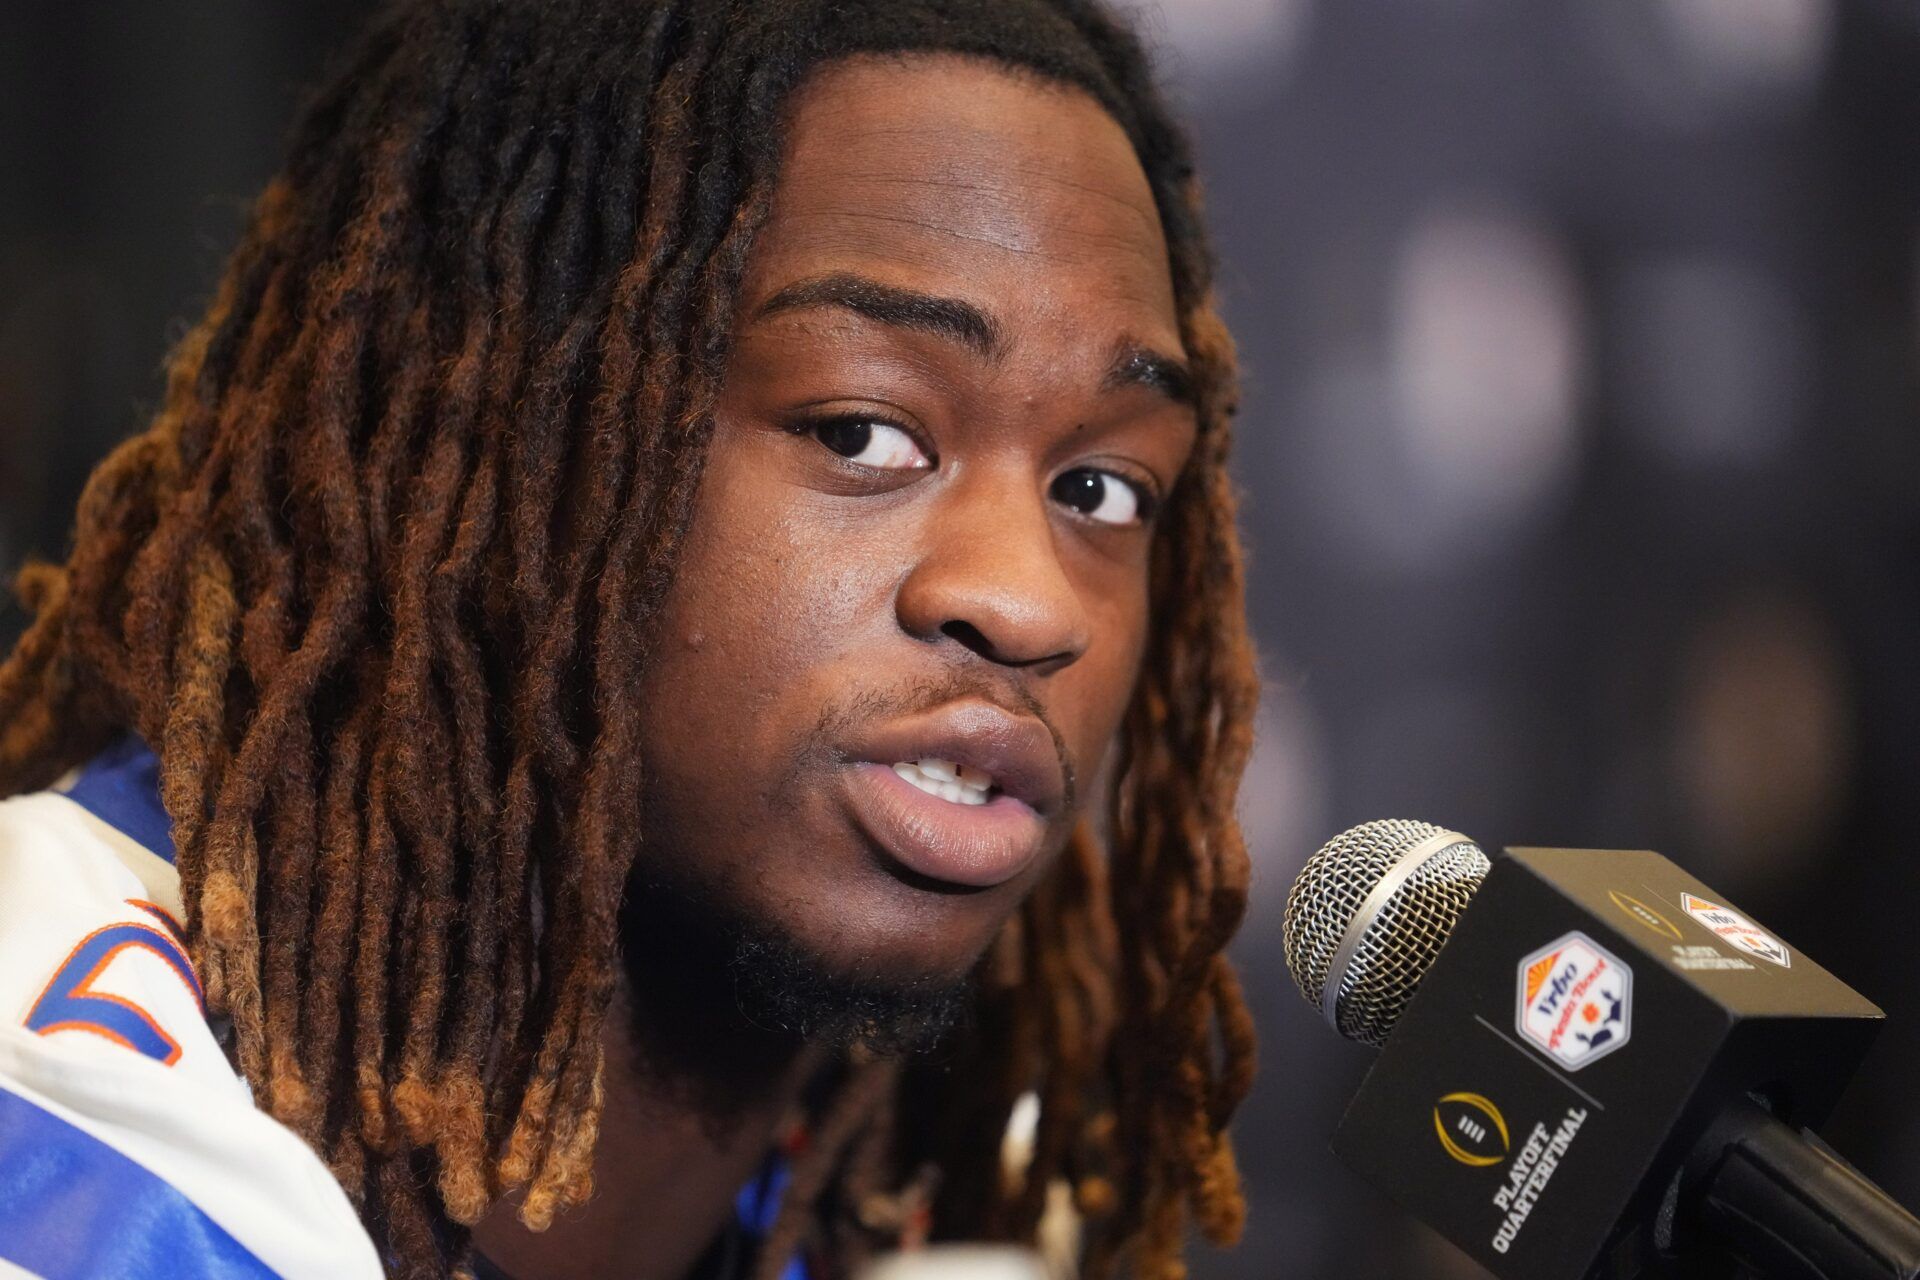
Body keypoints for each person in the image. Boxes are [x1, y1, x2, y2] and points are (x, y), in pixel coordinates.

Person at [0, 1, 1259, 1277]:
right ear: (502, 431)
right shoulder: (60, 1141)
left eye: (1100, 488)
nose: (1030, 602)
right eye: (859, 431)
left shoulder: (930, 1208)